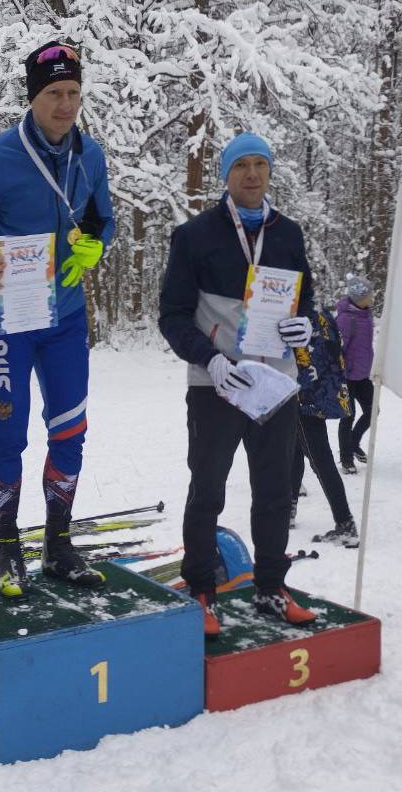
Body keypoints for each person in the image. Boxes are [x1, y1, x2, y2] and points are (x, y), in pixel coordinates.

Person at [0, 41, 114, 598]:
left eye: (73, 93)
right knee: (8, 434)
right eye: (54, 93)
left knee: (70, 431)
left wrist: (96, 246)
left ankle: (58, 544)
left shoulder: (91, 156)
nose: (65, 105)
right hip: (9, 320)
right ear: (33, 98)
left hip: (65, 319)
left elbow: (103, 220)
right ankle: (8, 545)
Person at [158, 131, 316, 635]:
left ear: (270, 172)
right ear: (226, 175)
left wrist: (306, 325)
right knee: (207, 489)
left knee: (275, 491)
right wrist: (209, 359)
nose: (252, 174)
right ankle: (202, 591)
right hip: (217, 384)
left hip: (275, 384)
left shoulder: (288, 234)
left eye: (260, 165)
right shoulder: (195, 235)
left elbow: (305, 301)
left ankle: (271, 586)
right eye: (241, 165)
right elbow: (172, 315)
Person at [291, 309, 359, 547]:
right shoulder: (323, 317)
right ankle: (289, 509)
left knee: (320, 460)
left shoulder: (296, 320)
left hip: (303, 398)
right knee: (295, 450)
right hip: (320, 395)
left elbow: (304, 363)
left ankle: (345, 522)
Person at [336, 274, 374, 474]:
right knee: (348, 417)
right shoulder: (346, 319)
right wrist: (343, 369)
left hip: (363, 375)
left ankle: (353, 443)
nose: (372, 298)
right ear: (359, 297)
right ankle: (346, 459)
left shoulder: (367, 315)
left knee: (372, 412)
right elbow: (338, 349)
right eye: (369, 295)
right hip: (347, 377)